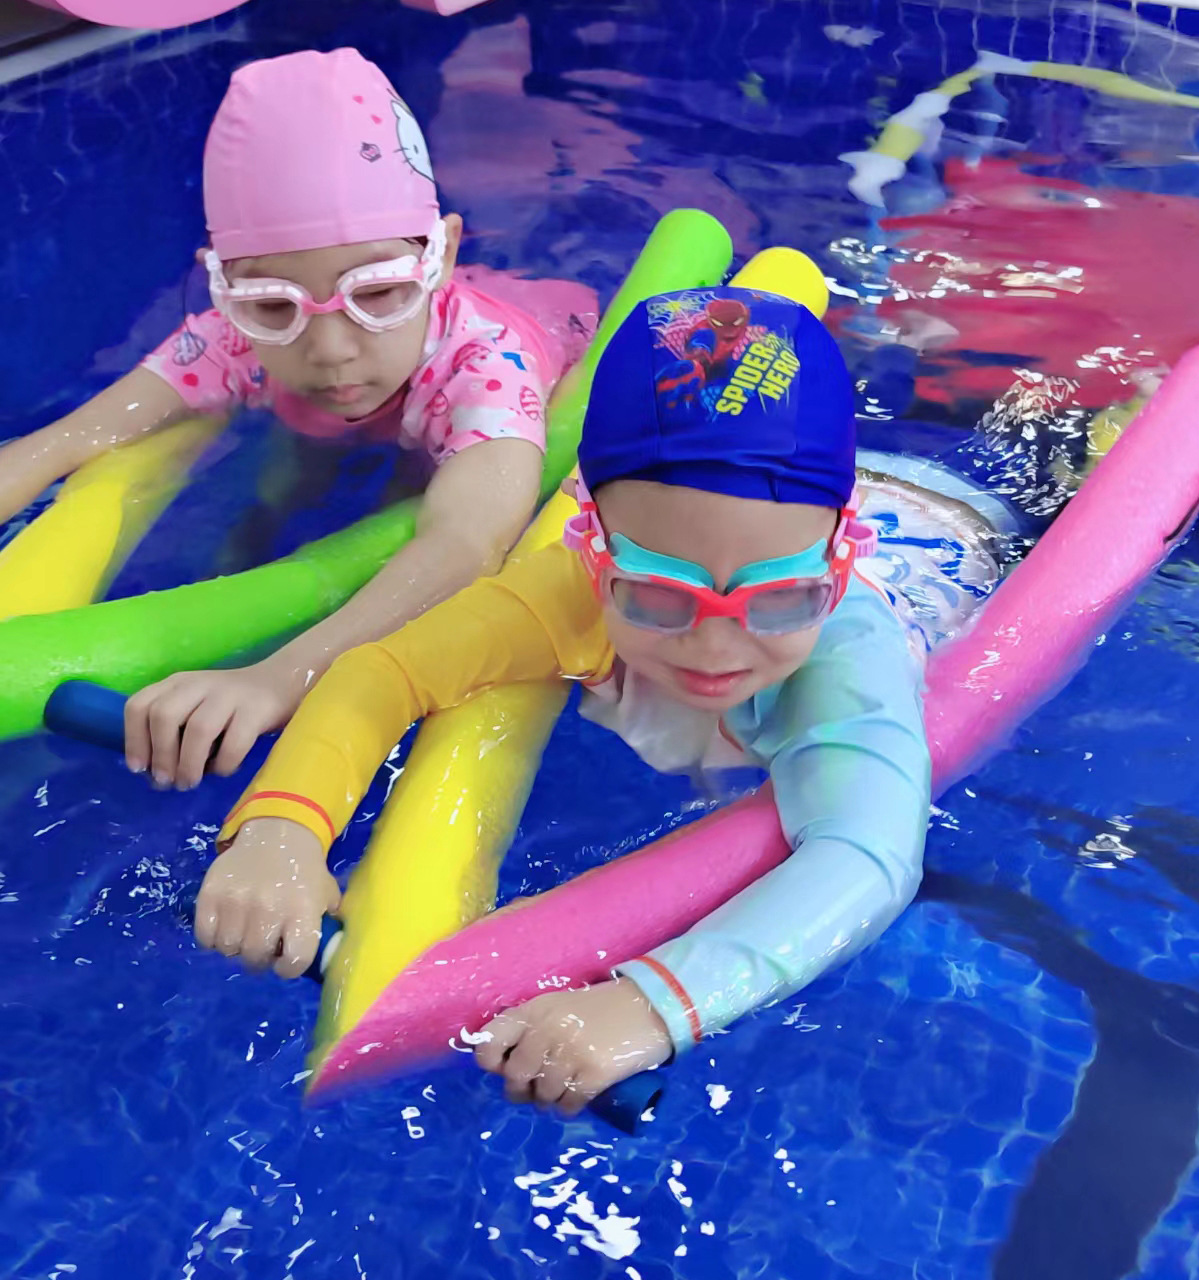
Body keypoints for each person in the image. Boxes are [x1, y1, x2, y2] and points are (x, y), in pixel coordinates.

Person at [191, 283, 968, 1112]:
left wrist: (650, 1006)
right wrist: (281, 832)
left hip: (955, 528)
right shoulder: (567, 589)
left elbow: (867, 854)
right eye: (659, 597)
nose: (716, 648)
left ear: (837, 572)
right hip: (799, 506)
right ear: (592, 551)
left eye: (779, 602)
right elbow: (383, 672)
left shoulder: (845, 653)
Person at [0, 48, 592, 791]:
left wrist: (279, 678)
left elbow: (467, 544)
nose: (330, 349)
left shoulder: (486, 366)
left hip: (520, 353)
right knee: (284, 487)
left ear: (440, 255)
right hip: (359, 414)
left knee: (400, 500)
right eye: (273, 304)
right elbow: (68, 439)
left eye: (377, 291)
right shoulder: (233, 335)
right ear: (224, 285)